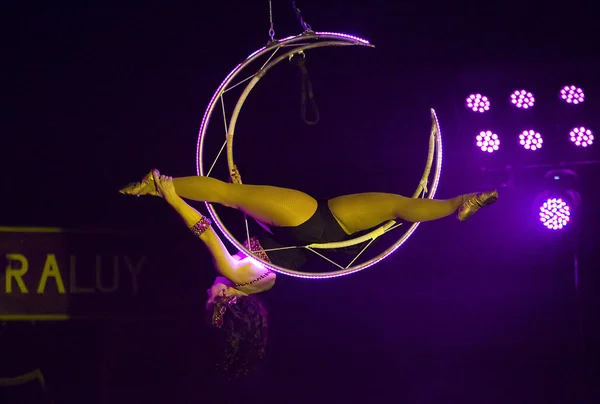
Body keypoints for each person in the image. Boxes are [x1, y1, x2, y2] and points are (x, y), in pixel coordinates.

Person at [119, 169, 498, 378]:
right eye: (209, 296)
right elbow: (203, 227)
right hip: (302, 220)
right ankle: (154, 185)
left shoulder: (260, 283)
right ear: (225, 301)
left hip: (326, 231)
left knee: (399, 207)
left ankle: (459, 204)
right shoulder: (231, 271)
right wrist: (172, 198)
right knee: (223, 194)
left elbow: (270, 243)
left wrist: (249, 198)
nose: (208, 289)